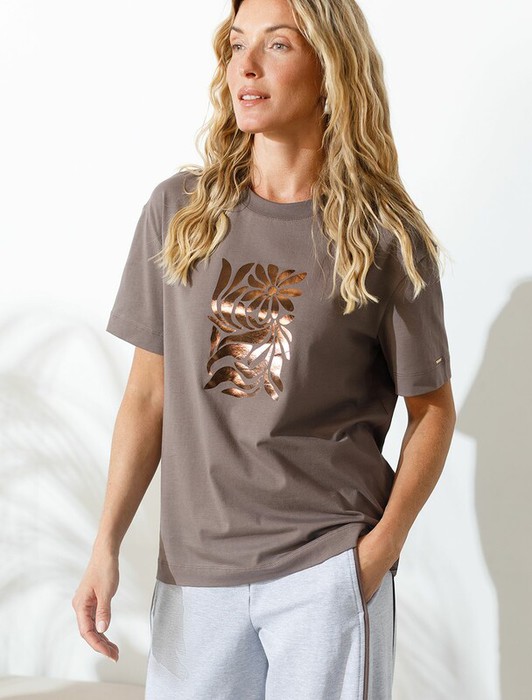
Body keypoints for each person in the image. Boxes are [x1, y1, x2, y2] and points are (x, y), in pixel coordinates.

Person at [72, 0, 456, 698]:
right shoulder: (179, 212)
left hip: (326, 571)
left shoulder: (383, 237)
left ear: (329, 66)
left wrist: (376, 556)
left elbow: (432, 412)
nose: (246, 66)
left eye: (277, 45)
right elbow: (147, 397)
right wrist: (106, 545)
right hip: (195, 575)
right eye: (236, 44)